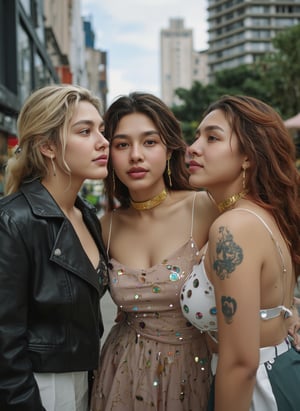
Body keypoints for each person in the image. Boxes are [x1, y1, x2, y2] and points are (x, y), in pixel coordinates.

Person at [90, 92, 219, 411]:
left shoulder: (204, 208)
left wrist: (288, 311)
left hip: (191, 370)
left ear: (169, 147)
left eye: (149, 142)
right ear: (109, 154)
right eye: (122, 145)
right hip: (121, 371)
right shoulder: (104, 227)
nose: (136, 155)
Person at [180, 95, 300, 411]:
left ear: (247, 156)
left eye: (212, 137)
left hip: (255, 390)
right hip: (277, 372)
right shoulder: (263, 216)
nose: (193, 147)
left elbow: (241, 361)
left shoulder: (232, 228)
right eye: (196, 137)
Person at [0, 84, 110, 411]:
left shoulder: (87, 215)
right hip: (39, 387)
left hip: (85, 380)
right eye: (85, 131)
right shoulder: (13, 221)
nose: (103, 142)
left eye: (101, 130)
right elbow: (5, 341)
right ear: (48, 146)